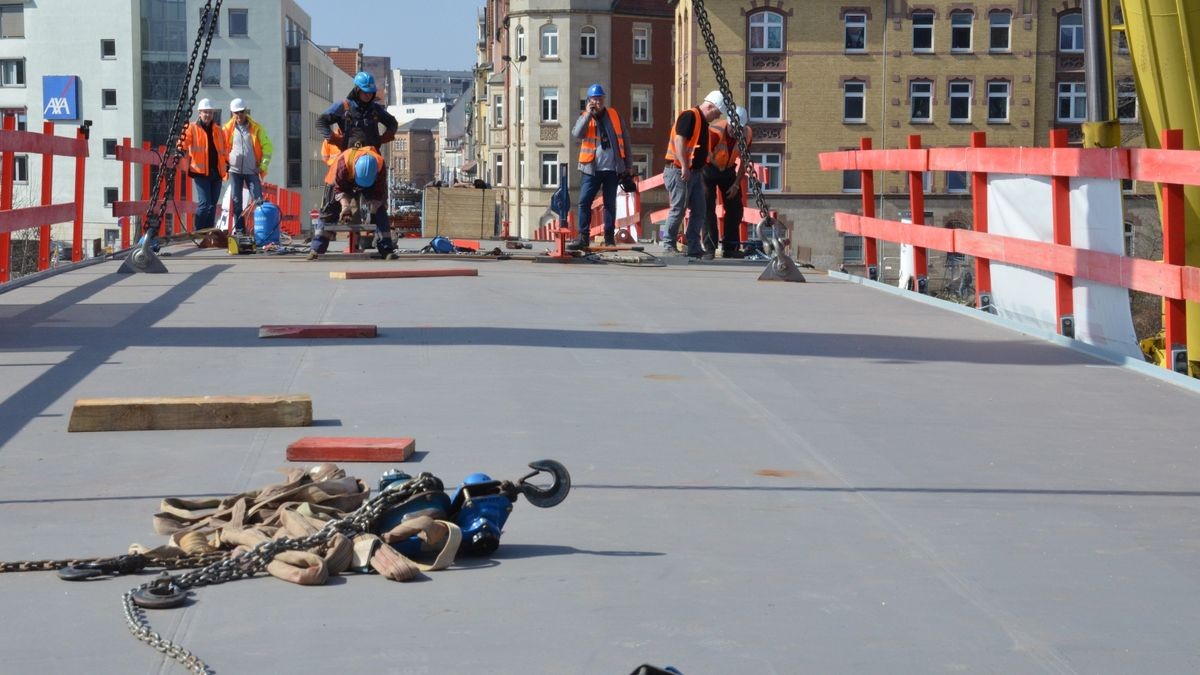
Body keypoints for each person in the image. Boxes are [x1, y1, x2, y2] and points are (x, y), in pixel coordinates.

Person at [662, 90, 725, 257]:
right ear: (710, 107)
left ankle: (693, 246)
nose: (716, 118)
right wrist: (684, 166)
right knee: (679, 208)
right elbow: (679, 140)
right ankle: (668, 244)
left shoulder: (702, 122)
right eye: (716, 114)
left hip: (694, 172)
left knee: (700, 209)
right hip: (679, 170)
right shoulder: (690, 116)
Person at [307, 145, 397, 261]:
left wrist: (373, 214)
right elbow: (339, 190)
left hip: (370, 183)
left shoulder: (379, 165)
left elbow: (378, 194)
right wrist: (345, 207)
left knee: (380, 211)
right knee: (329, 211)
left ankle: (386, 250)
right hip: (339, 182)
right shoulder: (342, 164)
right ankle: (316, 249)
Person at [570, 83, 632, 249]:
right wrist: (588, 115)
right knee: (584, 202)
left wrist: (628, 165)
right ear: (589, 100)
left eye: (599, 99)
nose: (597, 102)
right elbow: (576, 134)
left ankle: (609, 236)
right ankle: (583, 237)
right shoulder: (585, 116)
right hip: (591, 169)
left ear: (604, 99)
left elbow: (625, 141)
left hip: (612, 169)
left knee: (610, 203)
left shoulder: (614, 115)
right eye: (594, 99)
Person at [701, 106, 752, 260]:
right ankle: (710, 248)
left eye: (738, 128)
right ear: (728, 122)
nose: (734, 131)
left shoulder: (747, 134)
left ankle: (730, 247)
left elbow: (745, 160)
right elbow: (702, 155)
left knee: (735, 208)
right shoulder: (715, 132)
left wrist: (736, 184)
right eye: (732, 127)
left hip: (728, 170)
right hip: (708, 169)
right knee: (707, 206)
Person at [222, 98, 272, 235]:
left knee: (258, 200)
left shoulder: (256, 128)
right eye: (236, 113)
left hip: (252, 171)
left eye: (241, 112)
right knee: (237, 201)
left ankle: (261, 230)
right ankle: (240, 230)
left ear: (246, 111)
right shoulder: (227, 129)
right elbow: (221, 148)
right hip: (234, 171)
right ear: (232, 113)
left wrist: (262, 166)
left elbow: (267, 148)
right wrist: (225, 164)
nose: (239, 116)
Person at [179, 98, 228, 232]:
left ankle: (209, 232)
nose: (208, 115)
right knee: (204, 203)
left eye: (210, 113)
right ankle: (199, 231)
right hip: (200, 172)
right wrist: (180, 149)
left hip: (216, 172)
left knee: (212, 205)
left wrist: (227, 163)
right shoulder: (191, 128)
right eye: (205, 112)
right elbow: (184, 141)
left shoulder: (218, 130)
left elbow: (224, 150)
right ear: (199, 113)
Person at [317, 71, 398, 153]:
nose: (368, 95)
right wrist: (334, 138)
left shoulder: (375, 109)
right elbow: (321, 122)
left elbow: (392, 123)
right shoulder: (344, 107)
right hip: (349, 156)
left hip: (372, 155)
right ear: (357, 90)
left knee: (381, 165)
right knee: (337, 166)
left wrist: (383, 138)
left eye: (371, 92)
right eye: (365, 92)